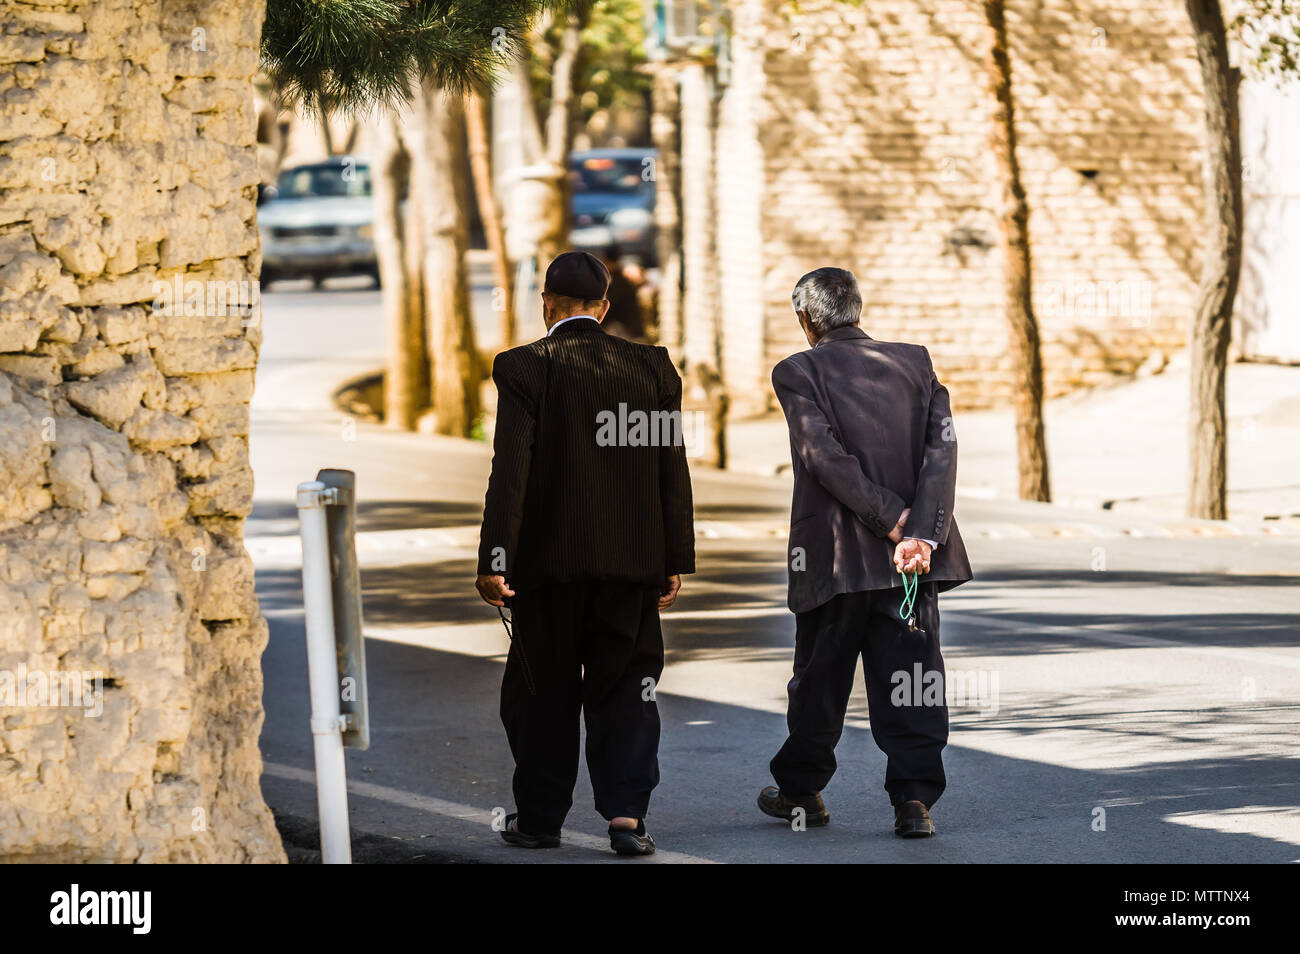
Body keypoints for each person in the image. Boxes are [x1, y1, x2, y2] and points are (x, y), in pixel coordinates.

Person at [475, 250, 695, 856]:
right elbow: (669, 468)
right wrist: (672, 556)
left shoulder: (524, 368)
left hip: (547, 570)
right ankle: (627, 816)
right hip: (631, 566)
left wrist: (495, 559)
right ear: (604, 306)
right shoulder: (651, 369)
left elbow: (509, 472)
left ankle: (541, 821)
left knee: (541, 693)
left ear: (545, 303)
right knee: (628, 688)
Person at [757, 267, 972, 838]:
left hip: (836, 562)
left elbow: (821, 457)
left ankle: (802, 793)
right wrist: (921, 533)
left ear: (806, 319)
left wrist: (889, 520)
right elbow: (942, 452)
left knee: (820, 682)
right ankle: (914, 804)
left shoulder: (796, 370)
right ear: (857, 308)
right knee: (914, 680)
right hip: (912, 564)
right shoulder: (916, 362)